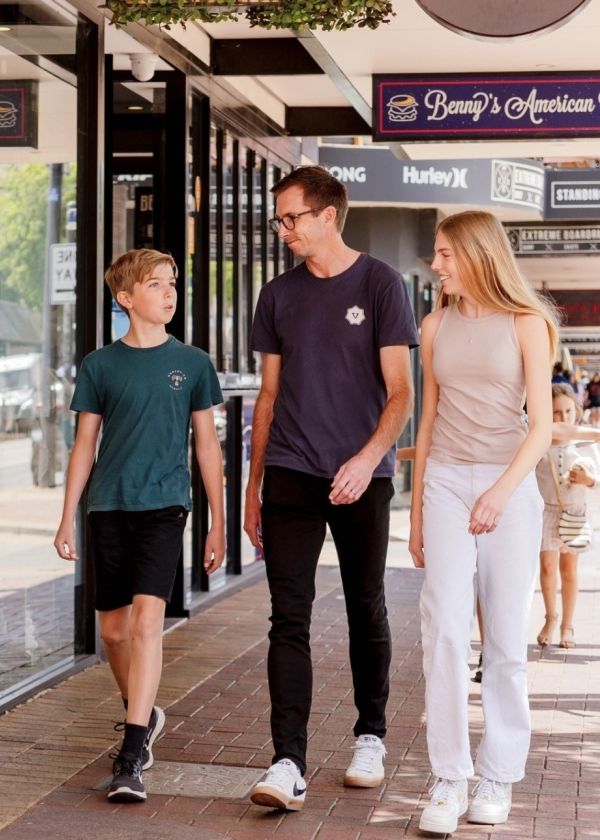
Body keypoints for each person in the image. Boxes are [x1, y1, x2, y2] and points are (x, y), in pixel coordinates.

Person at [244, 165, 418, 811]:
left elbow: (401, 392)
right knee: (287, 617)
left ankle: (370, 734)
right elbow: (267, 396)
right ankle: (287, 758)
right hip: (290, 468)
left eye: (291, 217)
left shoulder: (380, 284)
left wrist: (369, 457)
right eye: (280, 219)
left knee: (364, 605)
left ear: (327, 215)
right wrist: (253, 485)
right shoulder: (278, 294)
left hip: (360, 476)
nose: (283, 229)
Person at [54, 249, 225, 803]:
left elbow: (207, 446)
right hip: (108, 506)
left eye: (172, 283)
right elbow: (85, 445)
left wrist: (217, 521)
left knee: (148, 624)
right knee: (113, 633)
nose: (170, 293)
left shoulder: (194, 363)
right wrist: (66, 517)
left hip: (165, 506)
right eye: (156, 285)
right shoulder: (100, 365)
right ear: (126, 298)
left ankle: (131, 754)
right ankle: (145, 715)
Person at [409, 210, 559, 834]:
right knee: (443, 626)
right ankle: (449, 777)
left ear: (478, 256)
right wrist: (417, 513)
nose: (436, 265)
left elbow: (543, 426)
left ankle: (497, 776)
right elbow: (428, 420)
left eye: (445, 254)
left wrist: (500, 491)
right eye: (436, 254)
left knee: (503, 638)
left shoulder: (529, 324)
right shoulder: (434, 325)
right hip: (444, 477)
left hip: (511, 482)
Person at [536, 384, 599, 649]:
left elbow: (596, 481)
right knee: (548, 568)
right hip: (546, 511)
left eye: (567, 411)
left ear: (576, 411)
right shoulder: (538, 441)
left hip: (574, 513)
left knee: (569, 571)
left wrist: (588, 479)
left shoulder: (585, 441)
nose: (563, 418)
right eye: (556, 413)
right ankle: (551, 618)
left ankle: (567, 626)